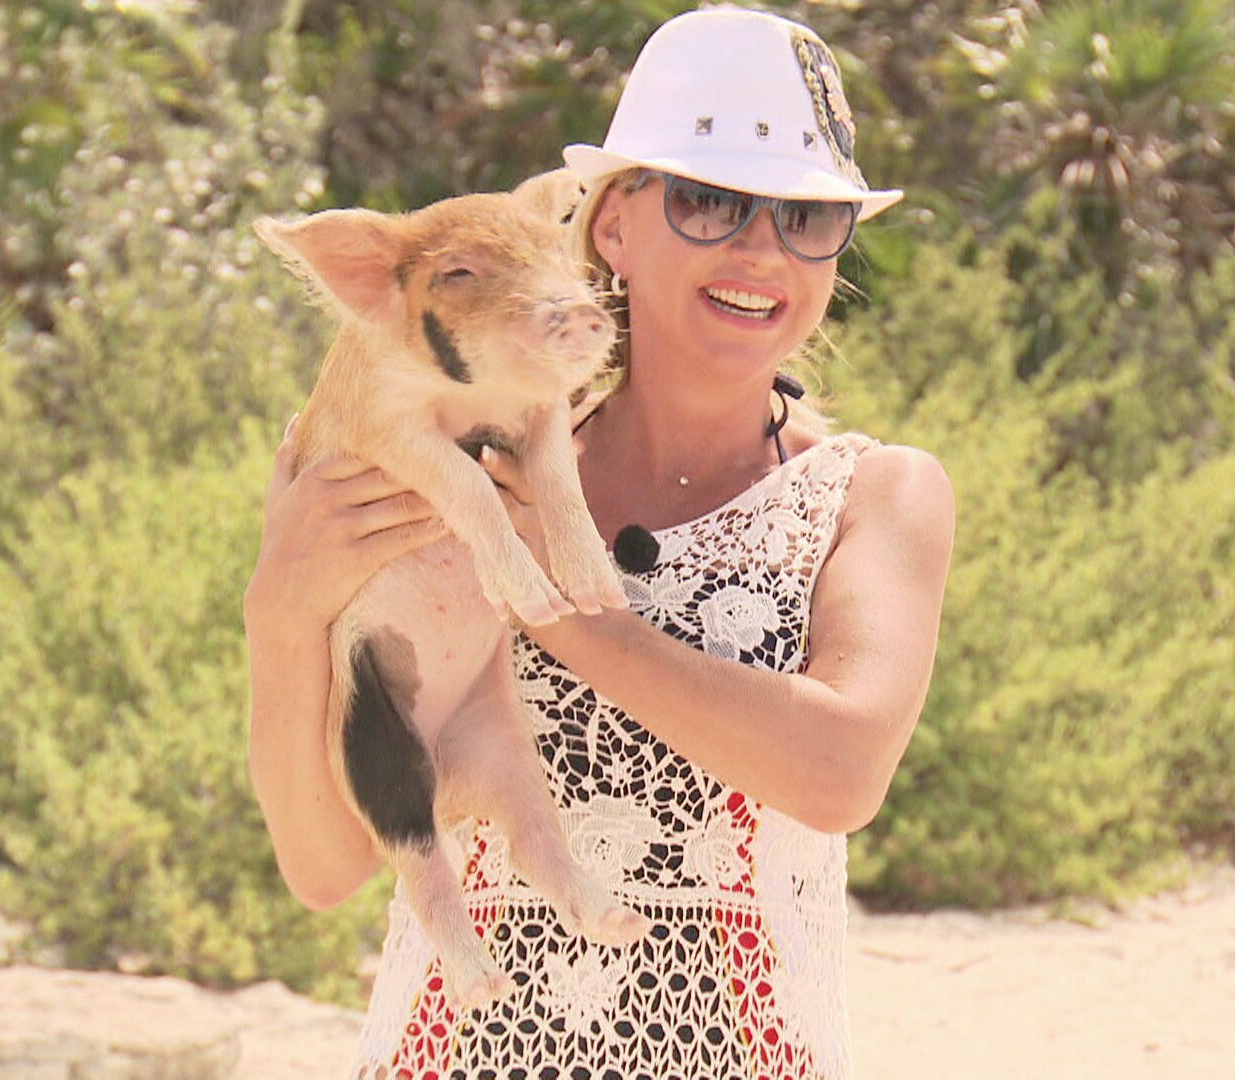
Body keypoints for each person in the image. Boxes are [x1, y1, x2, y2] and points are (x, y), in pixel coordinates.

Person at [244, 8, 954, 1078]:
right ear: (612, 224)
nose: (762, 250)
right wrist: (280, 616)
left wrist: (564, 611)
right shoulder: (440, 470)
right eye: (710, 202)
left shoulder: (873, 496)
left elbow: (839, 775)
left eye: (809, 217)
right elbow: (324, 864)